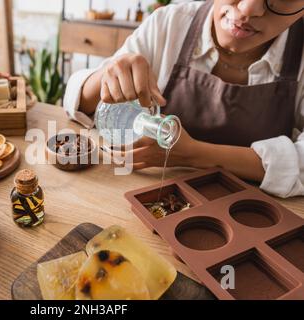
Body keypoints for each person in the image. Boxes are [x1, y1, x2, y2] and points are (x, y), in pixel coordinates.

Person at [63, 0, 304, 198]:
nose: (249, 8)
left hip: (254, 211)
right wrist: (107, 76)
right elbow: (78, 102)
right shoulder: (168, 24)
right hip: (151, 197)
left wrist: (196, 154)